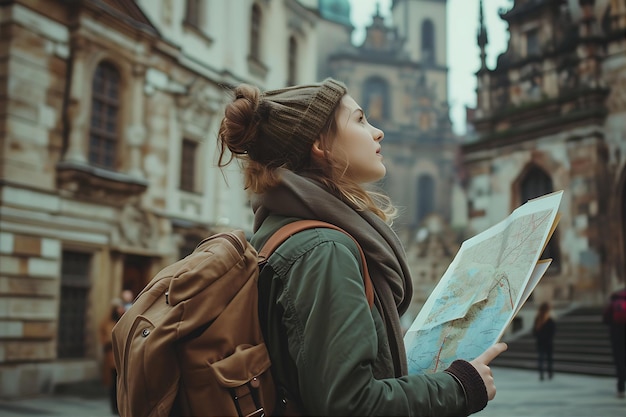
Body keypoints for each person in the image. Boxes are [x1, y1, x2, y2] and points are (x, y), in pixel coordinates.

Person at [217, 77, 507, 416]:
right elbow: (349, 404)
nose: (377, 131)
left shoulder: (285, 230)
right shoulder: (324, 250)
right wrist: (460, 386)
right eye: (359, 119)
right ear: (320, 144)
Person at [100, 298, 126, 415]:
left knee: (121, 384)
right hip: (112, 357)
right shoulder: (107, 322)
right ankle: (114, 406)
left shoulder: (124, 320)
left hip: (121, 357)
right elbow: (104, 337)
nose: (120, 310)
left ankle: (120, 405)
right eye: (118, 308)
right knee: (113, 383)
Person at [602, 287, 626, 398]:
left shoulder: (615, 300)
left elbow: (605, 319)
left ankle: (621, 387)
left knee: (619, 361)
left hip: (616, 334)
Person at [532, 301, 556, 381]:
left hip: (541, 343)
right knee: (548, 359)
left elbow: (534, 332)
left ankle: (543, 374)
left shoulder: (540, 319)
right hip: (547, 343)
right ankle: (549, 373)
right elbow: (553, 332)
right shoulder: (549, 320)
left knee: (542, 359)